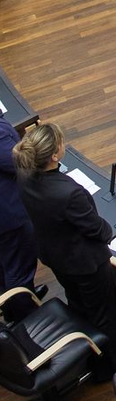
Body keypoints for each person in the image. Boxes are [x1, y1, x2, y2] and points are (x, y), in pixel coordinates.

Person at [14, 121, 116, 373]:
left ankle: (89, 350)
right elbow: (96, 229)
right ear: (54, 156)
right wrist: (109, 230)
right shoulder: (69, 193)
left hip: (56, 255)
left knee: (78, 303)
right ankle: (114, 363)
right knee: (106, 311)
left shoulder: (24, 176)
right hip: (85, 263)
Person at [0, 113, 37, 298]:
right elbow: (19, 163)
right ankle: (24, 312)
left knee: (6, 262)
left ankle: (9, 303)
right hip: (10, 215)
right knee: (19, 268)